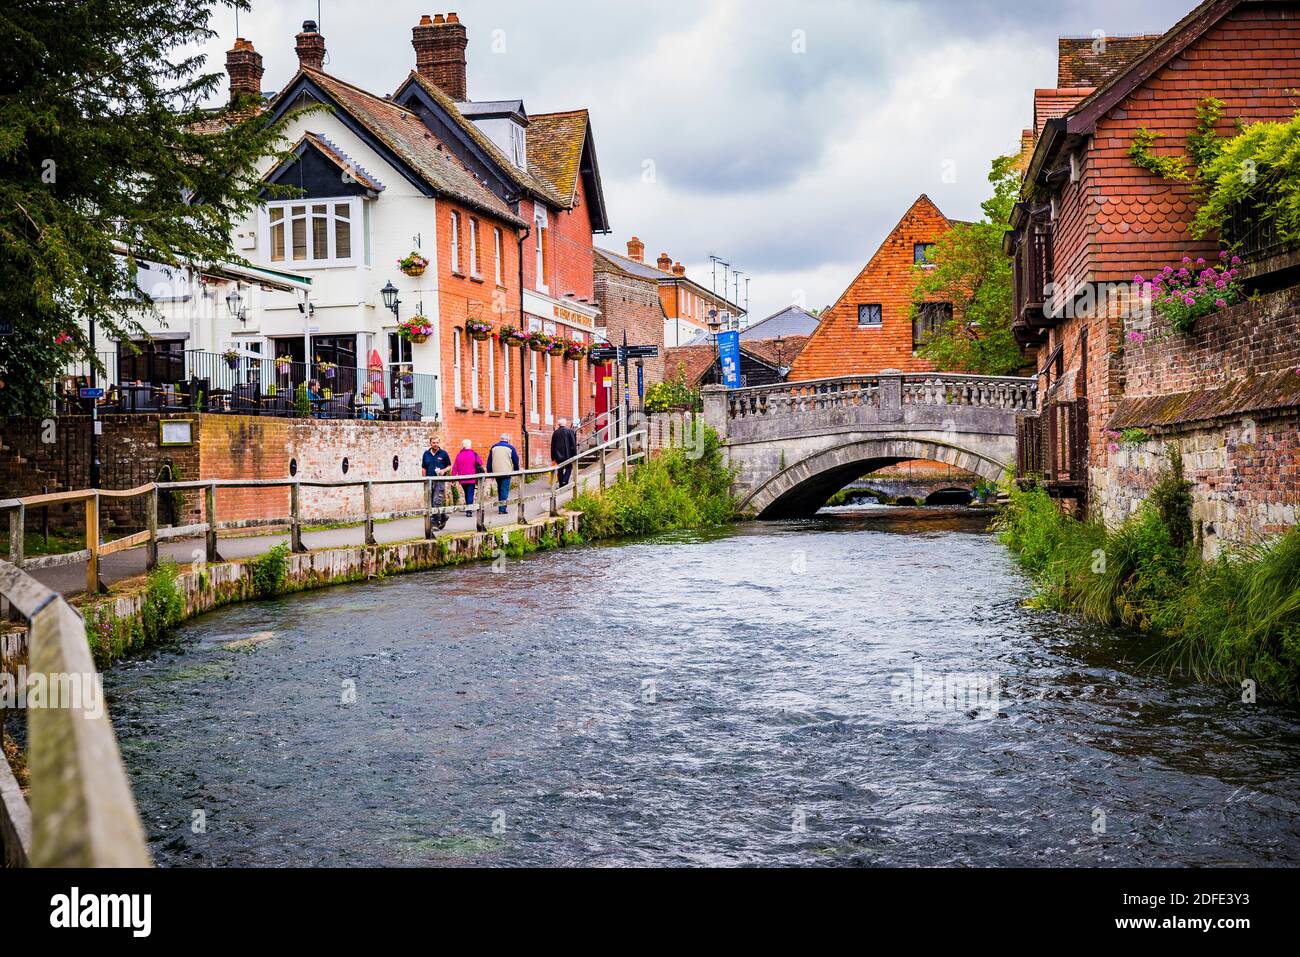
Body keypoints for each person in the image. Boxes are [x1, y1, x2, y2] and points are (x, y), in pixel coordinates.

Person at [421, 434, 451, 530]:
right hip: (429, 481)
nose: (436, 444)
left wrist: (443, 471)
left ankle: (435, 524)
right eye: (434, 443)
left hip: (439, 481)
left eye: (437, 442)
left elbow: (449, 466)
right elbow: (423, 467)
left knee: (436, 501)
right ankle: (443, 516)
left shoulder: (443, 453)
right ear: (430, 443)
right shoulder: (426, 454)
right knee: (430, 502)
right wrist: (424, 480)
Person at [487, 432, 520, 515]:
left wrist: (489, 472)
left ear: (500, 439)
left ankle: (500, 505)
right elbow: (515, 460)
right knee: (504, 490)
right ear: (508, 440)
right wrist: (516, 470)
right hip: (506, 472)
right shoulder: (511, 448)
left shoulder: (494, 447)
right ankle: (502, 509)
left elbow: (489, 460)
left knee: (500, 489)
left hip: (496, 472)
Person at [452, 438, 485, 518]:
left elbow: (455, 468)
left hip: (462, 479)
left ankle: (468, 508)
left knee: (467, 493)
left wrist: (452, 480)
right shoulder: (474, 454)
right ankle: (469, 511)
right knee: (470, 493)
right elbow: (481, 463)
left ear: (462, 446)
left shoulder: (459, 455)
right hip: (472, 478)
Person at [551, 417, 578, 488]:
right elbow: (573, 443)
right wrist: (574, 454)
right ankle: (565, 480)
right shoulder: (569, 431)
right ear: (565, 424)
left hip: (557, 455)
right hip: (568, 454)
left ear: (559, 424)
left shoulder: (555, 433)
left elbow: (552, 445)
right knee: (569, 467)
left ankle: (561, 483)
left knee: (560, 469)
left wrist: (553, 457)